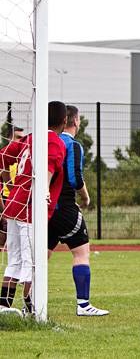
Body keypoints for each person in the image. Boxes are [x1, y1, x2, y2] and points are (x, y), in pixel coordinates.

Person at [0, 102, 67, 315]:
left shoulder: (29, 138)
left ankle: (3, 305)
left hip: (14, 206)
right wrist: (44, 192)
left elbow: (2, 158)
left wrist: (10, 185)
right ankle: (32, 311)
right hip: (30, 207)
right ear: (64, 121)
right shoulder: (54, 142)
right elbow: (48, 166)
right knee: (32, 262)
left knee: (15, 260)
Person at [49, 106, 109, 316]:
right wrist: (85, 197)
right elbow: (74, 179)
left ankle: (27, 304)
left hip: (44, 209)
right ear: (73, 121)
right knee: (81, 253)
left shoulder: (42, 143)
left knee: (39, 258)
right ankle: (83, 305)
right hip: (64, 207)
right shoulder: (71, 145)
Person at [1, 126, 24, 248]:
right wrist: (3, 208)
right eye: (18, 138)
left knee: (18, 242)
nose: (21, 141)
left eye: (22, 138)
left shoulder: (25, 157)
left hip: (21, 201)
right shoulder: (4, 156)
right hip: (6, 199)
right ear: (9, 138)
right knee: (4, 239)